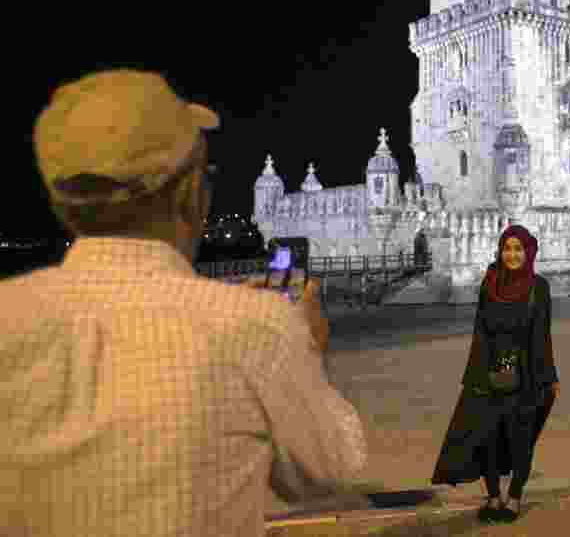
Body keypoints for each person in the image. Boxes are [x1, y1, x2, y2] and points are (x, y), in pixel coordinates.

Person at [0, 70, 366, 536]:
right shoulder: (253, 327)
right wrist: (307, 346)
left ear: (61, 206)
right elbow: (334, 467)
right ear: (193, 194)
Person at [431, 225, 560, 524]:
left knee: (521, 440)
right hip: (488, 372)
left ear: (528, 252)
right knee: (486, 438)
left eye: (518, 249)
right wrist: (474, 377)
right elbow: (480, 332)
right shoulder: (489, 284)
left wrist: (549, 377)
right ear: (500, 251)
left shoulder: (539, 287)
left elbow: (542, 336)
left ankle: (514, 497)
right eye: (507, 248)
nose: (512, 255)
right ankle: (492, 496)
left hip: (526, 373)